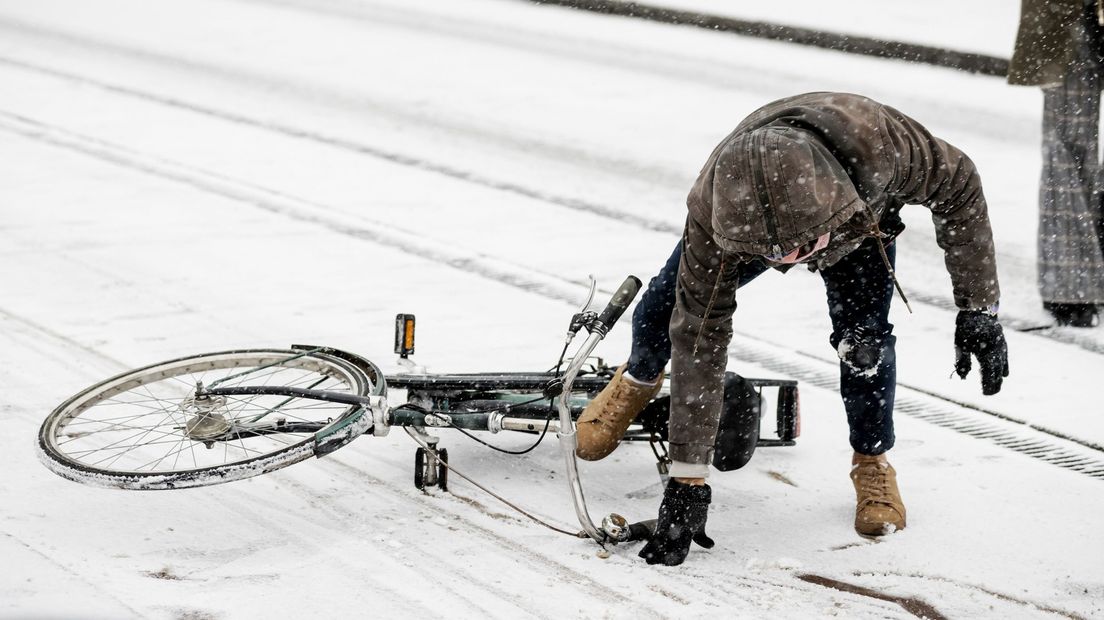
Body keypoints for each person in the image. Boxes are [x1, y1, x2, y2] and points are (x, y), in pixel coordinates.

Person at [575, 92, 1010, 566]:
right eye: (774, 256)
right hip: (760, 226)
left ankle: (872, 463)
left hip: (859, 224)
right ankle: (635, 379)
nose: (788, 264)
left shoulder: (881, 145)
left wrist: (978, 309)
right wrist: (687, 481)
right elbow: (700, 335)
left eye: (801, 249)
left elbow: (961, 186)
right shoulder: (716, 210)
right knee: (664, 308)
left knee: (864, 348)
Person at [1008, 0, 1104, 327]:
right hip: (1069, 22)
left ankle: (1073, 282)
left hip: (1068, 22)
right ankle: (1070, 283)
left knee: (1068, 150)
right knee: (1067, 152)